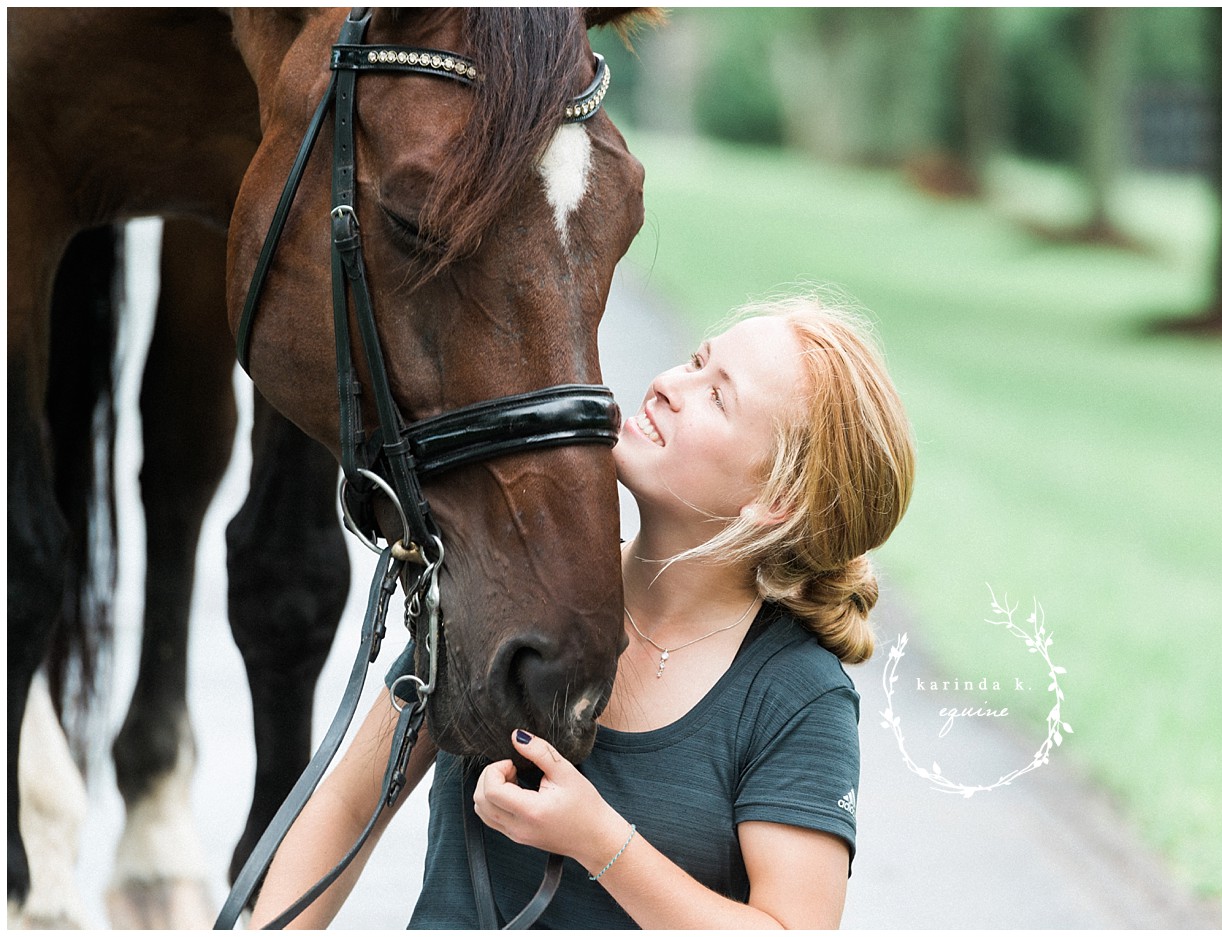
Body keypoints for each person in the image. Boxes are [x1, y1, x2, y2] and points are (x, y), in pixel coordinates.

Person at [250, 293, 916, 929]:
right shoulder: (509, 584)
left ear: (775, 502)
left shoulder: (796, 695)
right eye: (694, 360)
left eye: (716, 397)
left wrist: (599, 841)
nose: (667, 385)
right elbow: (347, 805)